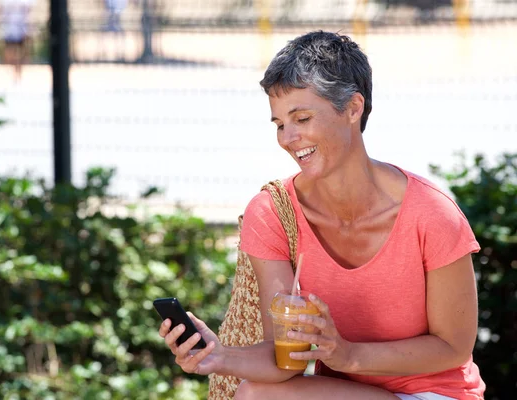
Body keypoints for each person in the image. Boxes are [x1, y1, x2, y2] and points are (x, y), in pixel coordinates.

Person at [158, 31, 485, 400]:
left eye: (302, 118)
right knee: (256, 394)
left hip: (435, 395)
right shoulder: (273, 213)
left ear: (352, 108)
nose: (288, 137)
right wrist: (218, 356)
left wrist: (347, 355)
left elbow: (453, 348)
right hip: (341, 392)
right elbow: (288, 358)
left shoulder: (432, 214)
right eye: (280, 124)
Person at [0, 0, 34, 81]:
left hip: (21, 30)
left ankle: (18, 74)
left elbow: (28, 13)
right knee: (9, 53)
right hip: (9, 30)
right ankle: (13, 74)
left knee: (21, 54)